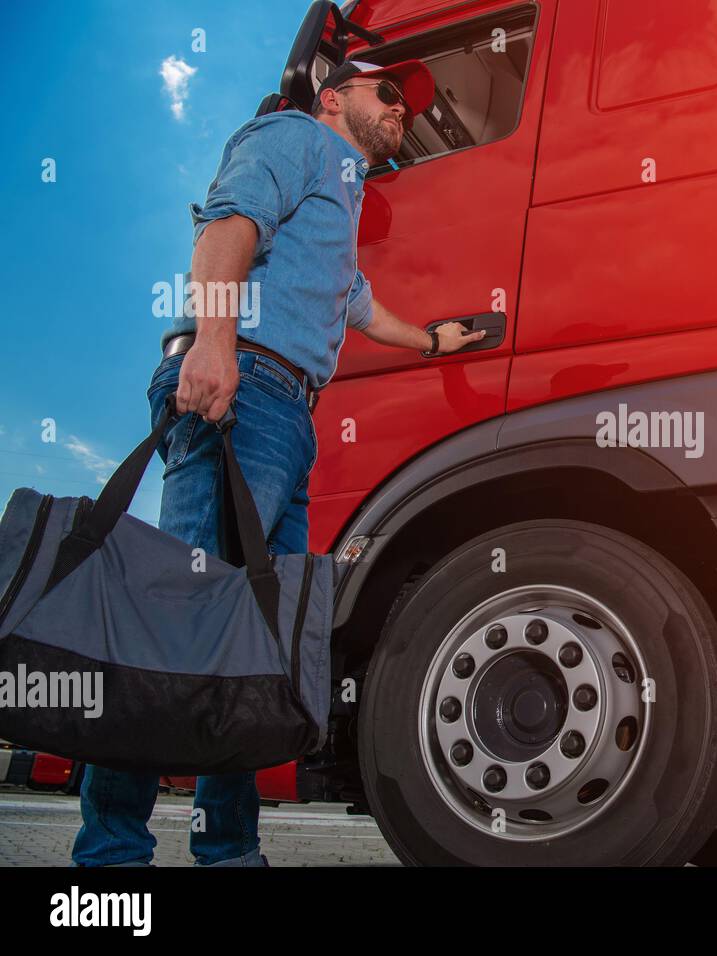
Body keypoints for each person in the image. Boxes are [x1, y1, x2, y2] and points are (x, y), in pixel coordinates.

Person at [72, 59, 484, 867]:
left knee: (257, 641)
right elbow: (230, 225)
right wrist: (216, 346)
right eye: (388, 93)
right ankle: (110, 857)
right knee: (178, 617)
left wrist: (433, 341)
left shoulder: (342, 190)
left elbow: (358, 304)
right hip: (246, 387)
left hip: (285, 415)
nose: (403, 109)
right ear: (334, 99)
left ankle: (228, 852)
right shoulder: (293, 135)